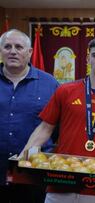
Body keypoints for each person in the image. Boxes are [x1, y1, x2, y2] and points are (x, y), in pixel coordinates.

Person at [22, 37, 95, 203]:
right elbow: (45, 128)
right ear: (88, 59)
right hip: (60, 179)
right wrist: (23, 155)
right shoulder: (65, 91)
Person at [0, 29, 59, 203]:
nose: (12, 51)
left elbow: (57, 127)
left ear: (30, 52)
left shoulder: (50, 84)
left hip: (34, 174)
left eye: (19, 47)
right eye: (7, 46)